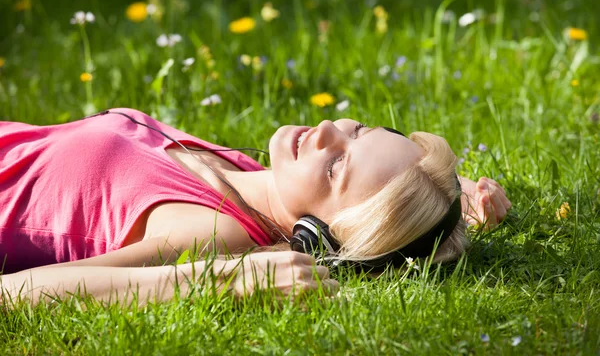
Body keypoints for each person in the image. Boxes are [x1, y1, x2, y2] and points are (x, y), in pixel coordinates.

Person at [0, 108, 511, 305]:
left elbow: (14, 294)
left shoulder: (217, 232)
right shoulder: (253, 177)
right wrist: (447, 188)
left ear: (317, 233)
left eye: (337, 168)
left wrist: (220, 280)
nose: (329, 131)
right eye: (359, 130)